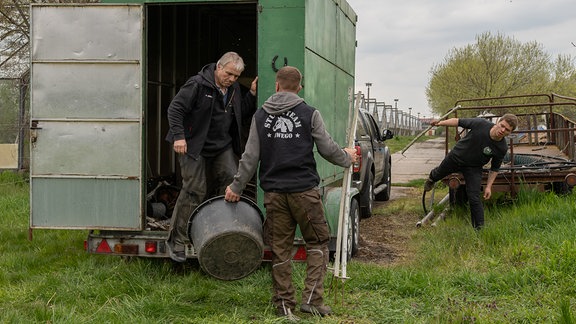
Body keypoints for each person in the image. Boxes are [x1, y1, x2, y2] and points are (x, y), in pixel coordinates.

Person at [224, 66, 357, 319]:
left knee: (280, 249)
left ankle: (284, 306)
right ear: (299, 87)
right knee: (317, 242)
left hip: (274, 194)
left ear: (276, 86)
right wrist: (347, 158)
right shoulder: (309, 113)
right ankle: (312, 301)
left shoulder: (260, 116)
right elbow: (328, 149)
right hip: (304, 192)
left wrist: (236, 187)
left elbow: (250, 158)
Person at [165, 52, 258, 262]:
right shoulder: (197, 85)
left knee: (232, 182)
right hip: (193, 144)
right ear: (218, 67)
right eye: (229, 74)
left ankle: (217, 228)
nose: (232, 79)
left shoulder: (233, 89)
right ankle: (177, 241)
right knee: (194, 190)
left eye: (236, 76)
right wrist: (179, 137)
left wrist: (251, 95)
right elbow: (175, 109)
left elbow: (239, 113)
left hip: (220, 145)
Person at [424, 113, 518, 229]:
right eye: (502, 125)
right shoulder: (481, 124)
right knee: (438, 174)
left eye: (507, 130)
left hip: (473, 167)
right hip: (456, 157)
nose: (503, 130)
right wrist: (439, 122)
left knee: (474, 197)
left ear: (510, 133)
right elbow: (457, 121)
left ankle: (479, 229)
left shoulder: (501, 147)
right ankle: (431, 178)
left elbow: (494, 169)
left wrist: (488, 186)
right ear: (498, 122)